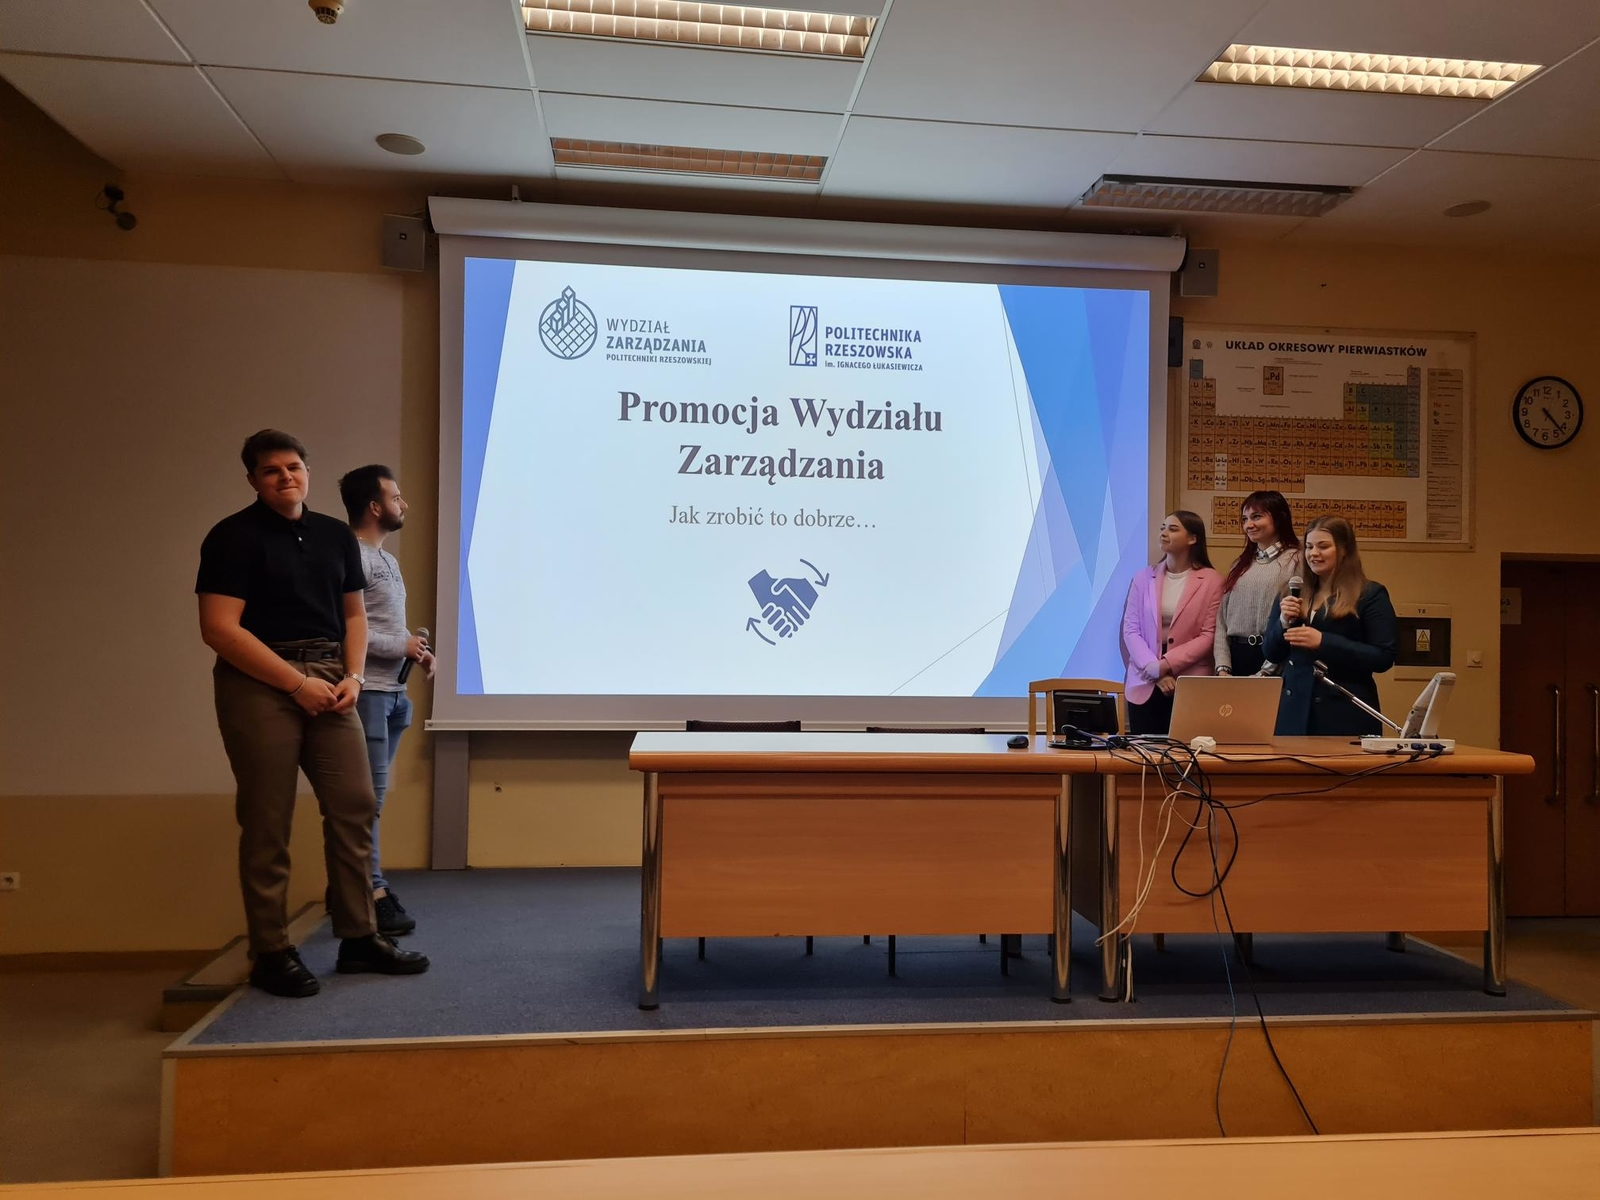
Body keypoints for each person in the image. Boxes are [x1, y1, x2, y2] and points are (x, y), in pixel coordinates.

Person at [197, 430, 429, 998]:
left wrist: (353, 677)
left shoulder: (333, 535)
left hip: (332, 675)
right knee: (267, 819)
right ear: (253, 480)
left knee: (355, 805)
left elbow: (354, 617)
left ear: (307, 472)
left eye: (294, 467)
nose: (286, 477)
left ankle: (359, 937)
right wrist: (296, 684)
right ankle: (271, 951)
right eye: (271, 470)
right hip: (260, 681)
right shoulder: (232, 537)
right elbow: (219, 629)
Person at [339, 464, 434, 937]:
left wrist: (417, 651)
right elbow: (347, 632)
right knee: (366, 803)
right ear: (375, 506)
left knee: (372, 801)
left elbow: (386, 628)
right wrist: (402, 646)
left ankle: (355, 889)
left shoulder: (387, 560)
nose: (404, 504)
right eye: (396, 498)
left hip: (395, 694)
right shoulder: (351, 557)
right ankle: (371, 893)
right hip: (369, 695)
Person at [1263, 515, 1397, 736]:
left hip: (1343, 713)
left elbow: (1383, 656)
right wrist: (1283, 622)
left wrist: (1324, 642)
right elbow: (1271, 652)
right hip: (1293, 714)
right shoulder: (1291, 591)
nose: (1313, 553)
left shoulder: (1370, 594)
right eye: (1309, 547)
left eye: (1323, 547)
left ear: (1344, 550)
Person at [1120, 511, 1225, 735]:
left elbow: (1208, 635)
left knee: (1188, 753)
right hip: (1145, 681)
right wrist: (1155, 670)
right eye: (1162, 528)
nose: (1164, 533)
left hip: (1190, 682)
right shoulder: (1142, 578)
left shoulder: (1213, 581)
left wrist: (1166, 664)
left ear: (1193, 539)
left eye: (1173, 529)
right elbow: (1131, 630)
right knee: (1144, 753)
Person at [1215, 490, 1301, 679]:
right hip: (1235, 659)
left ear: (1279, 518)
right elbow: (1221, 620)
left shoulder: (1297, 560)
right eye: (1244, 519)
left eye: (1256, 517)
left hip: (1272, 658)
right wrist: (1223, 668)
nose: (1248, 525)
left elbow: (1295, 622)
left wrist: (1266, 672)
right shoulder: (1240, 564)